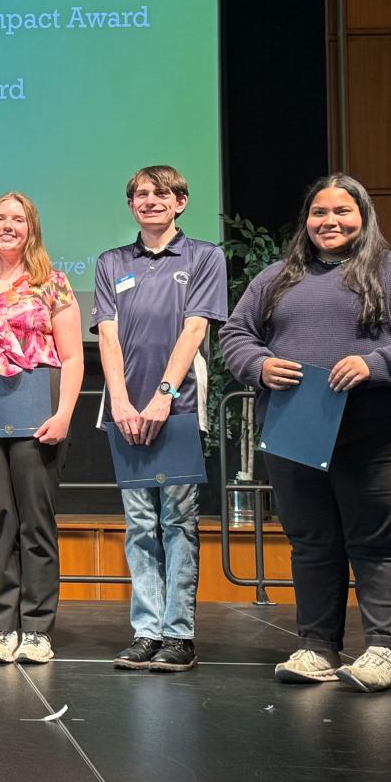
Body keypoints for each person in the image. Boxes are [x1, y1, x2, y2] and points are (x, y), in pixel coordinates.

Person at [221, 174, 391, 692]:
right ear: (305, 220)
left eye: (342, 212)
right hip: (297, 429)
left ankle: (381, 650)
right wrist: (259, 366)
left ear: (363, 216)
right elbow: (236, 334)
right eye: (319, 213)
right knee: (312, 542)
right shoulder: (277, 278)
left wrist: (376, 364)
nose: (329, 222)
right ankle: (316, 647)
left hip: (382, 432)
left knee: (378, 539)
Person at [92, 167, 228, 674]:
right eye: (140, 195)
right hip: (124, 411)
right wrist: (123, 402)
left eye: (160, 194)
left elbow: (196, 329)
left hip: (180, 409)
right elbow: (107, 335)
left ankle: (179, 634)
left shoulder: (203, 258)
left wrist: (163, 397)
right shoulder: (112, 262)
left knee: (177, 522)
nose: (149, 201)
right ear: (131, 205)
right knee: (139, 524)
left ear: (181, 202)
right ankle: (146, 631)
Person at [0, 192, 83, 664]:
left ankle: (38, 629)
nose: (8, 225)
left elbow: (71, 356)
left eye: (18, 219)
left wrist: (64, 413)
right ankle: (3, 628)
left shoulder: (53, 283)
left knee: (35, 523)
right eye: (0, 218)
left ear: (31, 228)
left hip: (38, 418)